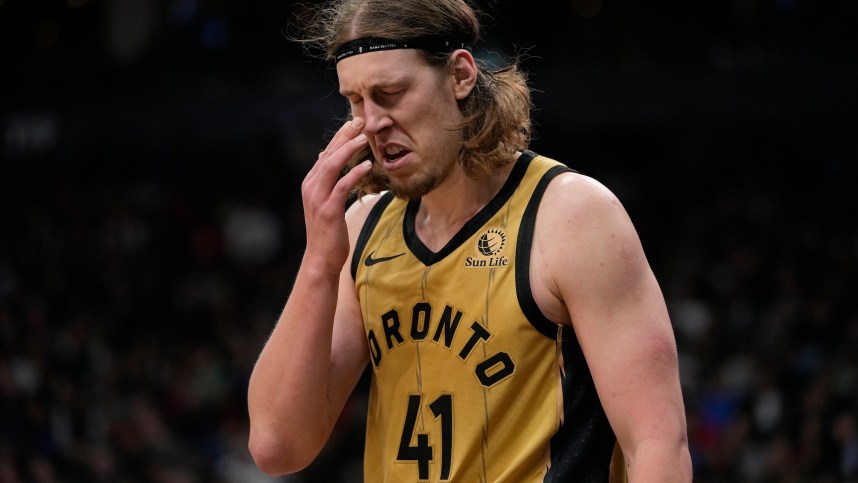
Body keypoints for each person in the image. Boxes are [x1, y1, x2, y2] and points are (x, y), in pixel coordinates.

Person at [247, 0, 692, 481]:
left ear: (460, 75)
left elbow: (658, 445)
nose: (371, 122)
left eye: (390, 92)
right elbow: (277, 447)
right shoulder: (362, 230)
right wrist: (318, 262)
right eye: (355, 101)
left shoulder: (572, 216)